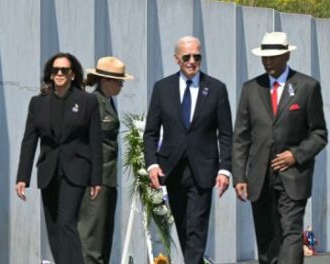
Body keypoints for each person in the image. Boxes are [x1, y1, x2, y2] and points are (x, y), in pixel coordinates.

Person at [232, 32, 327, 264]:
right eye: (264, 56)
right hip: (259, 177)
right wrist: (239, 176)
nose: (267, 61)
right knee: (266, 240)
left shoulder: (307, 87)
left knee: (291, 233)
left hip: (294, 176)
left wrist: (295, 155)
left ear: (286, 55)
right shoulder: (250, 88)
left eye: (273, 57)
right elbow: (241, 137)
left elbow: (319, 133)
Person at [143, 36, 232, 264]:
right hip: (171, 170)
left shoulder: (216, 89)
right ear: (176, 59)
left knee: (197, 227)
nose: (192, 61)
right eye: (187, 57)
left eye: (197, 56)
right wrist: (152, 163)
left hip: (203, 170)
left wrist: (225, 170)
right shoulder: (162, 88)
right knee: (183, 226)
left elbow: (225, 134)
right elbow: (151, 132)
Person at [15, 52, 102, 264]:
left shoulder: (87, 101)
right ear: (50, 75)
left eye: (65, 70)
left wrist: (96, 178)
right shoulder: (38, 103)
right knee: (53, 227)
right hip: (49, 170)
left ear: (73, 75)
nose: (60, 73)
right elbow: (29, 141)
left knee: (66, 223)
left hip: (76, 170)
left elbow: (95, 141)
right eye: (56, 70)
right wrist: (22, 177)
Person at [78, 56, 134, 264]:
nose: (121, 85)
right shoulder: (93, 103)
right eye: (118, 81)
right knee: (92, 241)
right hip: (96, 182)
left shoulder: (107, 102)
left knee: (104, 239)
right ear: (104, 80)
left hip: (107, 180)